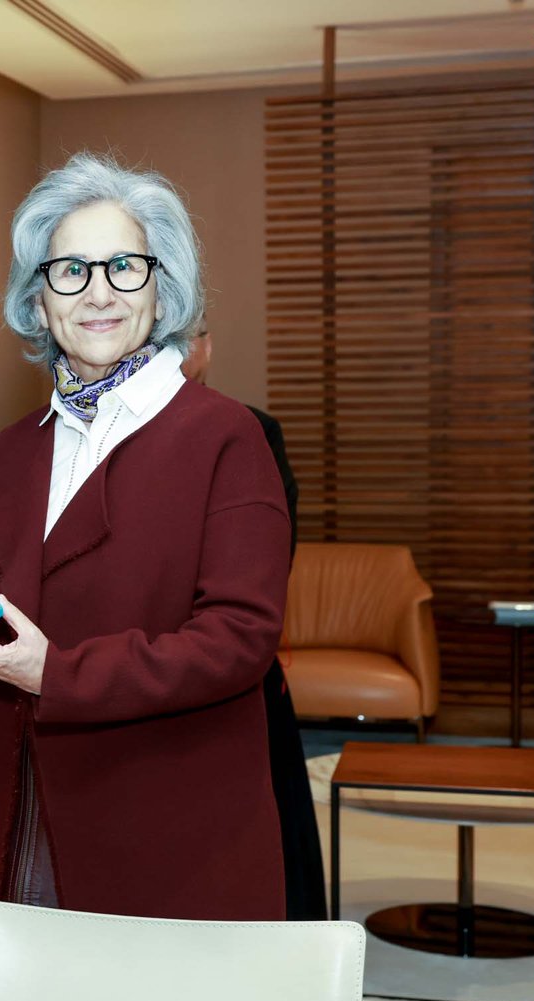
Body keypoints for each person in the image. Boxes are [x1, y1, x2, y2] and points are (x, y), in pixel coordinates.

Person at [0, 153, 289, 920]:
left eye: (124, 267)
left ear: (162, 289)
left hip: (169, 814)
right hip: (23, 810)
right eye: (70, 271)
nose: (98, 292)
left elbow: (240, 639)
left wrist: (58, 673)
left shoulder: (226, 437)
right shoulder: (5, 459)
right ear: (38, 303)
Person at [183, 328, 327, 921]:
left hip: (229, 665)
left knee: (263, 846)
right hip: (131, 671)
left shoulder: (250, 431)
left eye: (186, 336)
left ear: (207, 346)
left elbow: (266, 561)